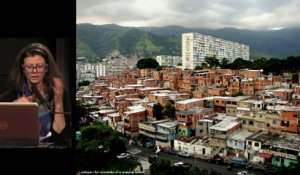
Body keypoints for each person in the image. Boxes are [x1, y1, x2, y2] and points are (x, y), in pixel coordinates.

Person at [0, 43, 70, 147]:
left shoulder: (58, 92)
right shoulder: (9, 97)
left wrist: (58, 102)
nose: (34, 71)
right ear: (23, 69)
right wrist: (15, 109)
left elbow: (60, 138)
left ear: (46, 68)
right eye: (29, 66)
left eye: (39, 66)